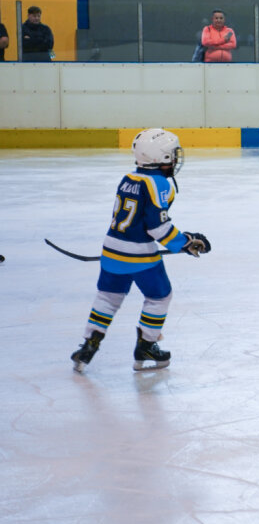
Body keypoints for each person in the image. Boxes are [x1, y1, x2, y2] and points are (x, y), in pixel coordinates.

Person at [69, 128, 211, 374]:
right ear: (162, 156)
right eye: (172, 154)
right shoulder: (160, 183)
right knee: (159, 296)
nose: (175, 159)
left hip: (111, 250)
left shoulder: (128, 178)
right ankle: (146, 346)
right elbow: (158, 228)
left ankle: (88, 346)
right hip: (139, 255)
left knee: (107, 298)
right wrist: (186, 242)